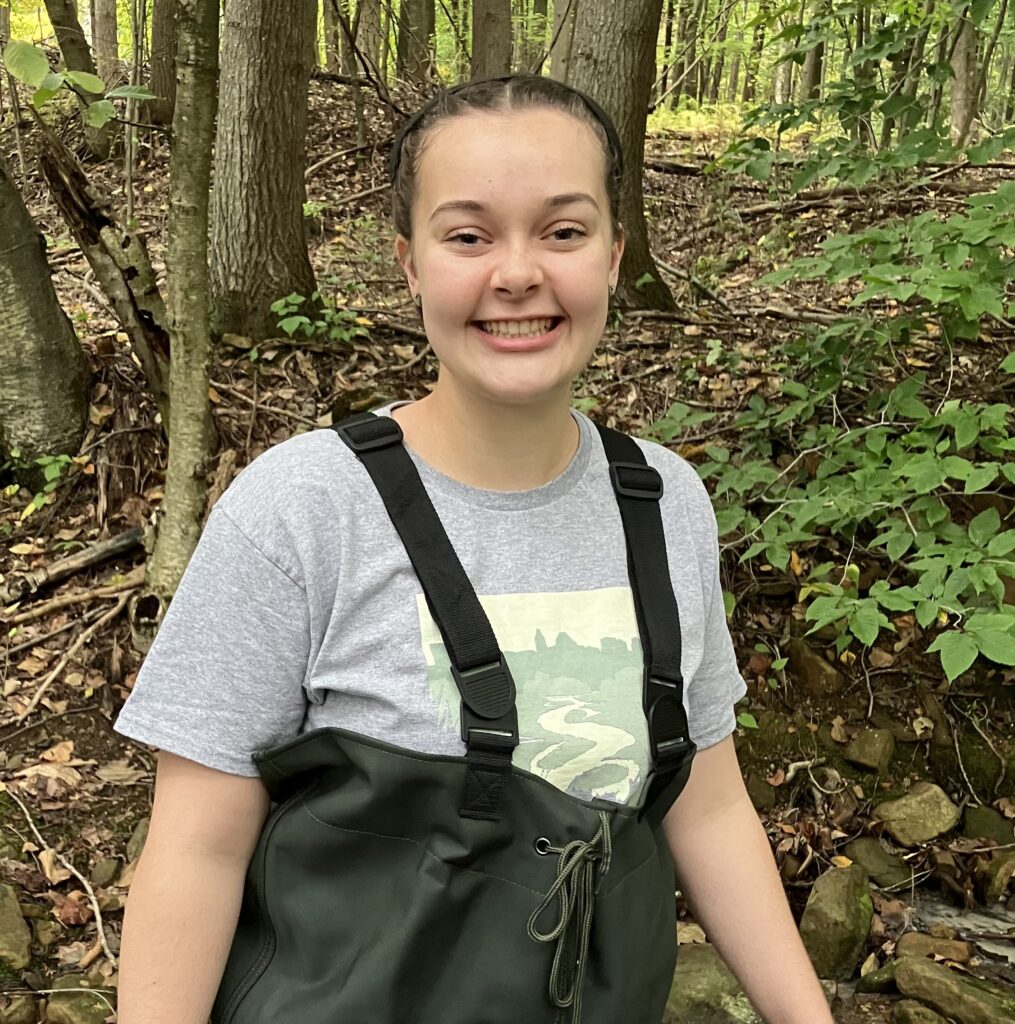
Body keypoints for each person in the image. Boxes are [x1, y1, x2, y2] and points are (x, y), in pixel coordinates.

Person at [114, 75, 834, 1024]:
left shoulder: (665, 503)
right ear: (408, 262)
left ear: (616, 256)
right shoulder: (301, 508)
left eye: (563, 231)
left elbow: (704, 806)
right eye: (468, 235)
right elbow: (196, 849)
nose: (518, 273)